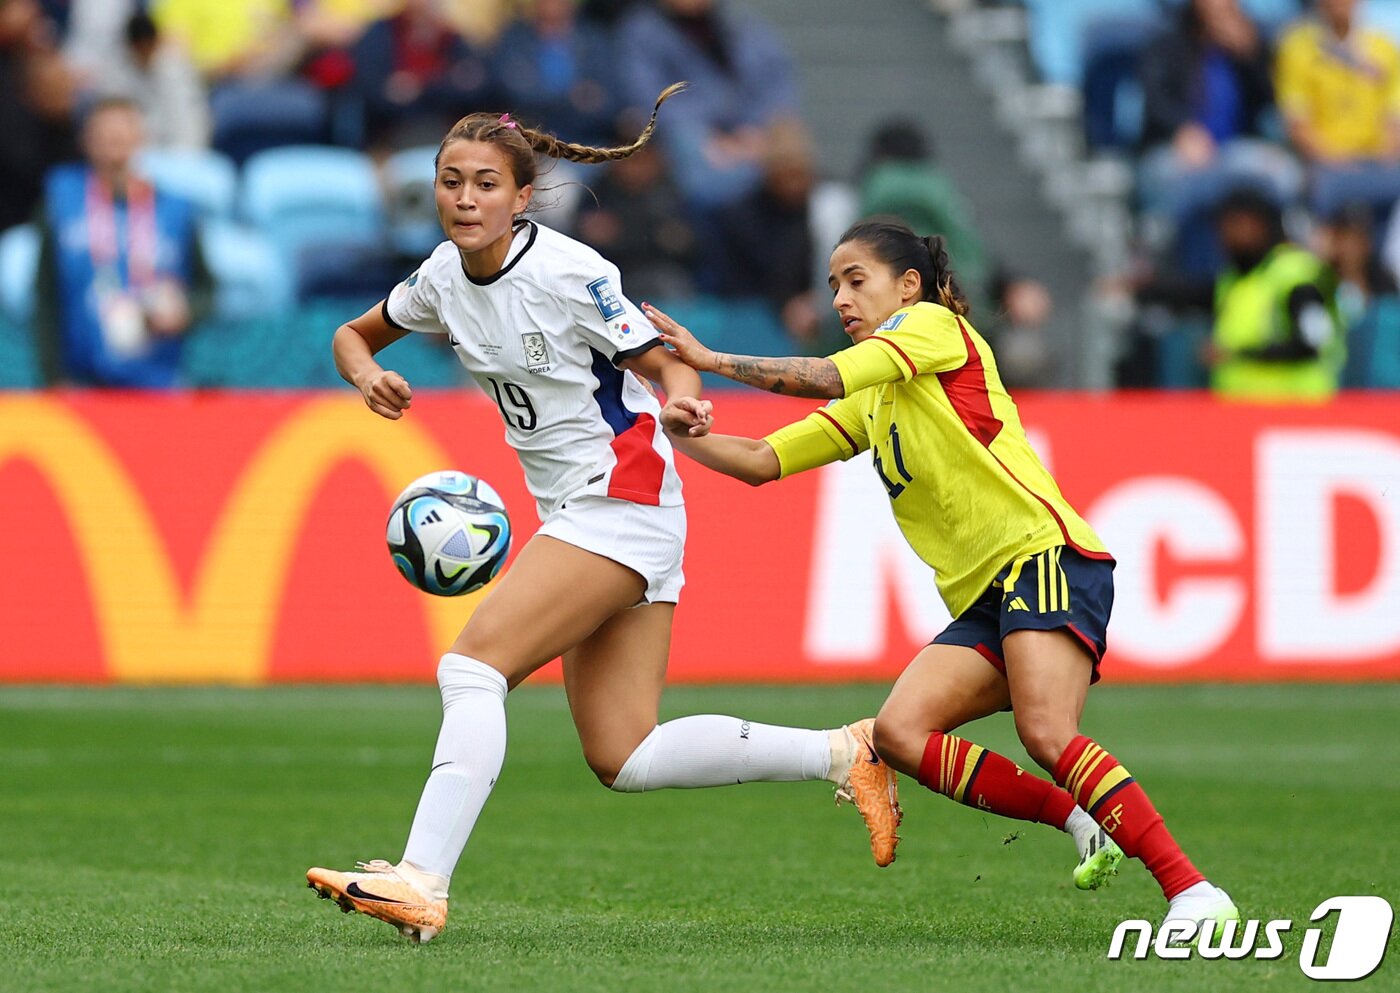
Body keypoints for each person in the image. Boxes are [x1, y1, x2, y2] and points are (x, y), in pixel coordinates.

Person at [306, 86, 902, 945]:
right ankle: (847, 754)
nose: (464, 199)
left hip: (618, 503)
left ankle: (420, 879)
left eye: (484, 183)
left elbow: (668, 364)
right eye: (449, 182)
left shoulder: (568, 272)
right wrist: (368, 377)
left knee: (472, 670)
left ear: (521, 197)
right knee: (625, 754)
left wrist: (687, 404)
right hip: (592, 513)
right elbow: (351, 335)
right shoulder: (440, 277)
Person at [641, 219, 1240, 927]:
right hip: (987, 594)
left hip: (1040, 555)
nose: (840, 297)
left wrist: (710, 359)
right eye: (833, 284)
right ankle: (1081, 817)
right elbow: (765, 462)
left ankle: (1194, 892)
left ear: (909, 285)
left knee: (1047, 731)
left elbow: (826, 374)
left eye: (855, 279)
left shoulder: (932, 328)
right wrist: (686, 431)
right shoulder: (876, 396)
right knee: (900, 732)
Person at [33, 97, 210, 387]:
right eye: (104, 138)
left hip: (159, 379)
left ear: (141, 139)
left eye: (122, 136)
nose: (114, 148)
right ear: (86, 141)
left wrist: (186, 311)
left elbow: (207, 289)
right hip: (82, 381)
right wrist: (52, 377)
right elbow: (45, 295)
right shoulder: (61, 203)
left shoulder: (176, 209)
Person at [1132, 186, 1346, 400]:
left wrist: (1237, 355)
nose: (1228, 233)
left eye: (1238, 223)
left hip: (1296, 413)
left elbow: (1312, 344)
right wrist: (1139, 288)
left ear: (1263, 225)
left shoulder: (1296, 274)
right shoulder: (1234, 280)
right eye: (1223, 225)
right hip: (1242, 414)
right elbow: (1191, 294)